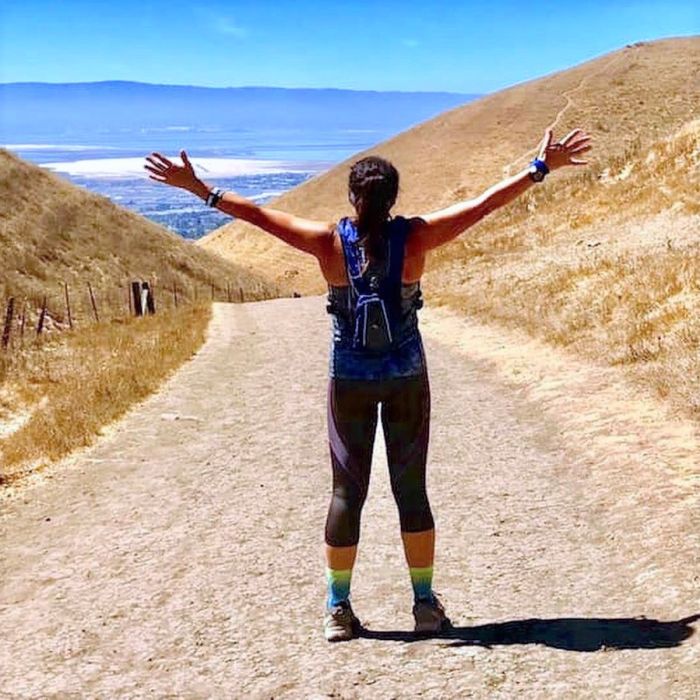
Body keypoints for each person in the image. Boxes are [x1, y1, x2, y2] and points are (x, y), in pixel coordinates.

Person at [144, 126, 592, 641]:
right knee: (411, 491)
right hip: (406, 376)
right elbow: (483, 204)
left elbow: (259, 216)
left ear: (353, 197)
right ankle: (424, 605)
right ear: (394, 198)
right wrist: (539, 169)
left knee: (345, 494)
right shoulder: (417, 237)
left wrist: (201, 190)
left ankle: (339, 610)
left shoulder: (328, 242)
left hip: (349, 380)